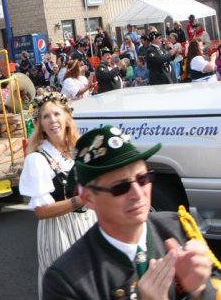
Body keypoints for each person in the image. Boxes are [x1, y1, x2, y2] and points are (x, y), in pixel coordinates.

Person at [42, 125, 216, 299]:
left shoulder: (176, 228)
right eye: (120, 187)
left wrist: (199, 290)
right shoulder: (67, 279)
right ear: (88, 198)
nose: (138, 194)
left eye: (143, 179)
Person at [19, 92, 96, 299]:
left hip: (90, 224)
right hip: (60, 230)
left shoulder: (79, 151)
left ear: (67, 118)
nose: (52, 120)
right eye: (46, 116)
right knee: (69, 287)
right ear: (41, 125)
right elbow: (41, 211)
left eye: (56, 114)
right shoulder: (37, 159)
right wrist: (80, 201)